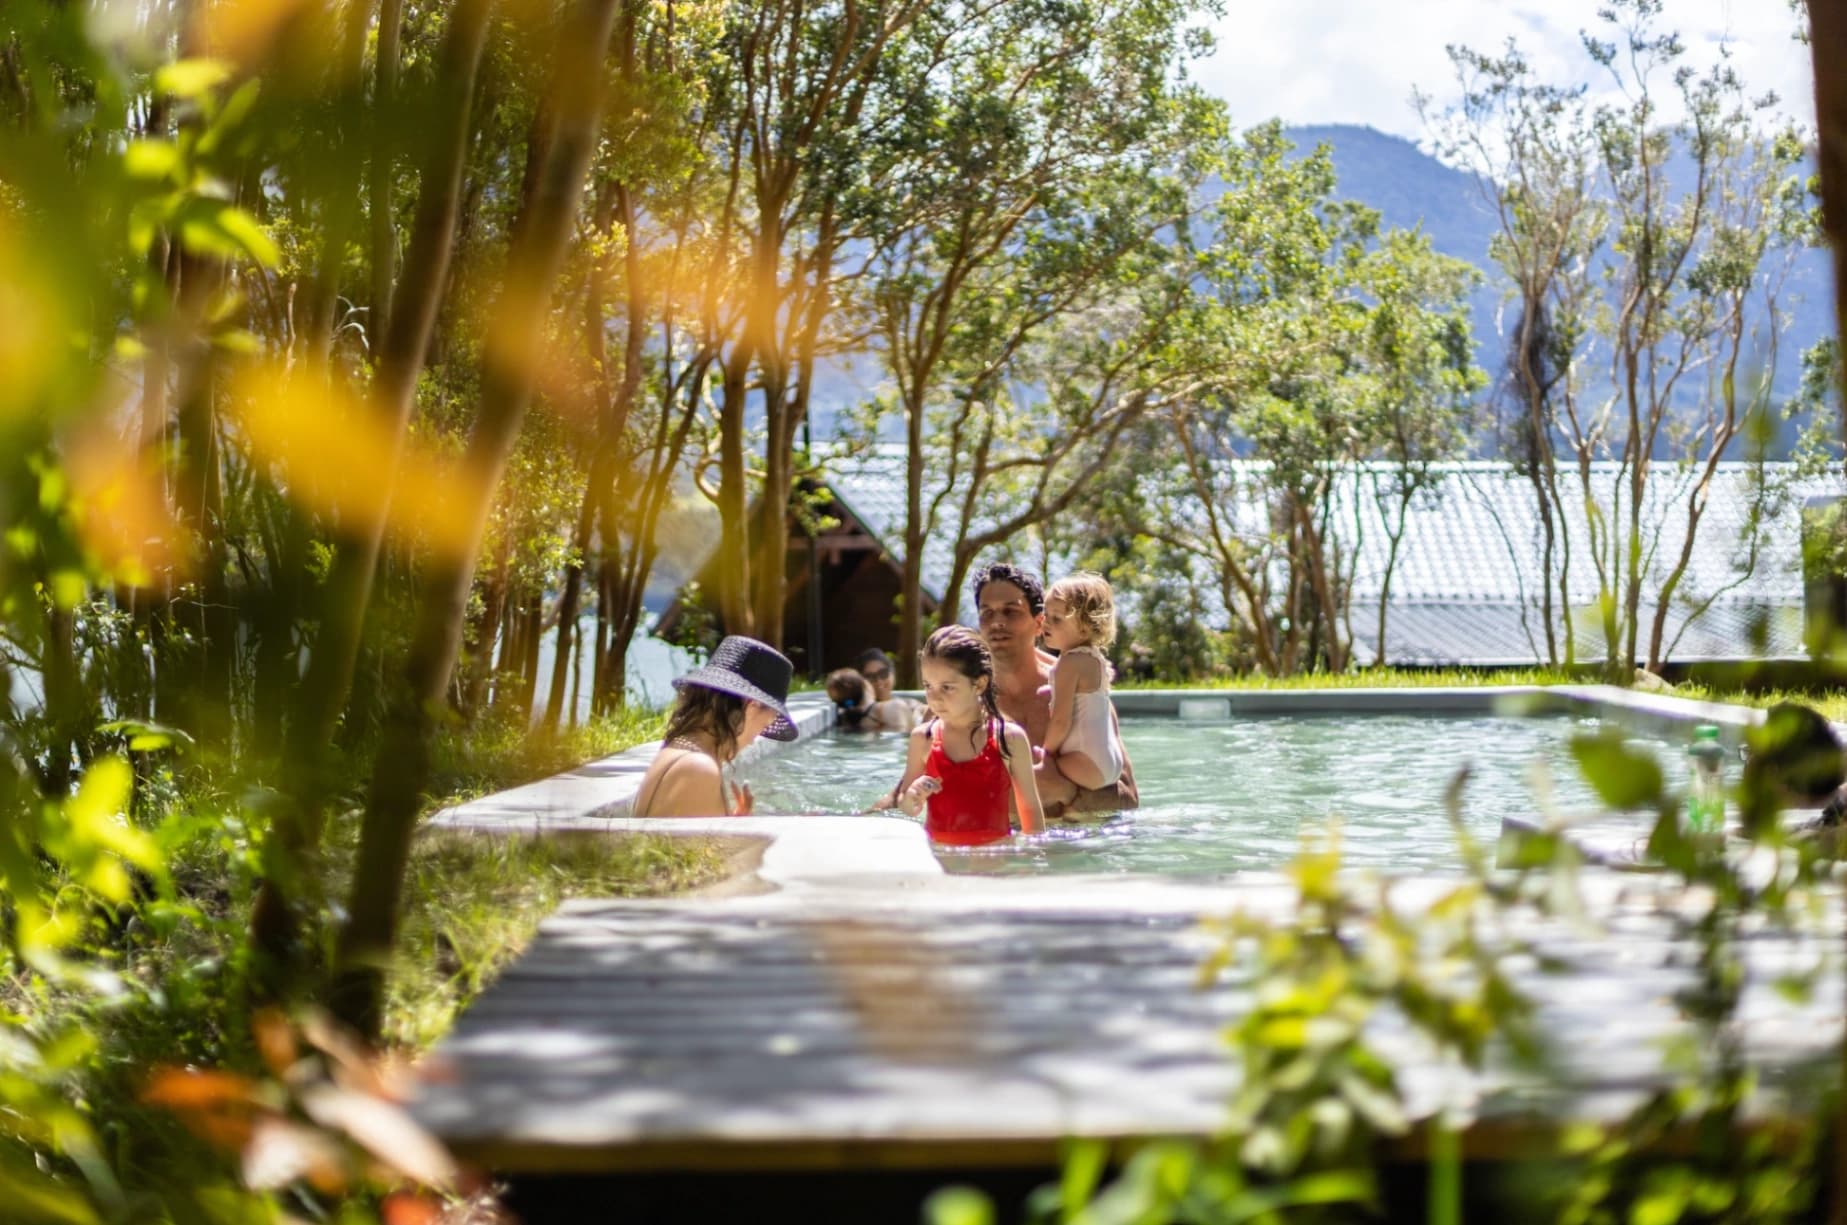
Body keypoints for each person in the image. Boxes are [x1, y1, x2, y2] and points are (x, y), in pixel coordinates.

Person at [973, 561, 1138, 820]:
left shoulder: (1079, 689)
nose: (997, 623)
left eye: (1011, 611)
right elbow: (926, 790)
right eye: (987, 613)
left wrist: (1065, 790)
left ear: (1040, 622)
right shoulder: (962, 697)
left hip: (1072, 848)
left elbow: (1128, 798)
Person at [889, 625, 1044, 845]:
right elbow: (907, 806)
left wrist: (1037, 858)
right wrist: (913, 795)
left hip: (995, 857)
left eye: (947, 687)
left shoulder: (1008, 738)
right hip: (941, 858)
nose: (935, 698)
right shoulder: (923, 738)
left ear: (979, 684)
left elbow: (1030, 809)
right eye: (928, 686)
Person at [631, 636, 797, 818]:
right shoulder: (699, 768)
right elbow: (694, 847)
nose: (752, 742)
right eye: (764, 724)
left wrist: (731, 825)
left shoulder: (673, 751)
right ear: (751, 707)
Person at [1039, 572, 1127, 807]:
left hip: (1085, 762)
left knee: (1036, 774)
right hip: (1111, 764)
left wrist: (1046, 753)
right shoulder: (1093, 659)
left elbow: (1060, 721)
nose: (1046, 623)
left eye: (1057, 619)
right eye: (1045, 615)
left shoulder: (1069, 663)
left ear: (1085, 629)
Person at [856, 647, 923, 731]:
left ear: (893, 673)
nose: (879, 681)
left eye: (883, 673)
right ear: (862, 682)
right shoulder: (857, 714)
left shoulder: (911, 704)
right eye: (870, 677)